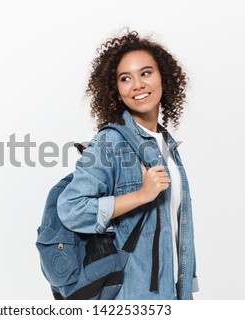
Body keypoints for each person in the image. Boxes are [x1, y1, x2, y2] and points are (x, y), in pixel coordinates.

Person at [57, 30, 198, 300]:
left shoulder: (166, 144)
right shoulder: (110, 141)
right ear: (116, 91)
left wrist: (186, 290)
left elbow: (177, 225)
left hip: (169, 294)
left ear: (163, 78)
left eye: (146, 73)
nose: (137, 85)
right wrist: (142, 195)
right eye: (125, 78)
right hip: (130, 295)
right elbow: (71, 209)